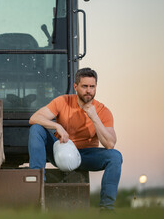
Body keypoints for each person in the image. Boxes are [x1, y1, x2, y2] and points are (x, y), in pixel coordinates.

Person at [28, 67, 122, 210]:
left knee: (115, 157)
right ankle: (37, 190)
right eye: (84, 86)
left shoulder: (103, 111)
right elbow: (34, 118)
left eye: (92, 86)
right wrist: (57, 126)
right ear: (76, 86)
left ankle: (107, 208)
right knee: (36, 128)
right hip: (60, 149)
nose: (88, 91)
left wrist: (94, 117)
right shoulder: (63, 101)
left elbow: (110, 144)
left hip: (86, 156)